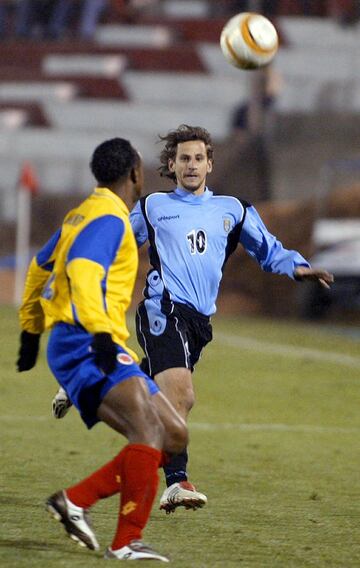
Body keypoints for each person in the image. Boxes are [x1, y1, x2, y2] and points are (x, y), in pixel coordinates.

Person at [53, 124, 334, 514]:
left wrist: (297, 267)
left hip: (200, 322)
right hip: (163, 308)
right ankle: (176, 481)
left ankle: (86, 380)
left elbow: (267, 248)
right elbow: (115, 239)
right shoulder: (153, 206)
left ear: (210, 164)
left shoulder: (233, 209)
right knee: (180, 397)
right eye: (183, 158)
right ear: (171, 164)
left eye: (198, 158)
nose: (191, 165)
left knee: (149, 388)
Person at [16, 137, 188, 562]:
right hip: (88, 342)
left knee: (174, 433)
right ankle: (126, 541)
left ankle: (74, 500)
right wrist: (98, 335)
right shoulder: (110, 218)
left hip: (91, 339)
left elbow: (40, 265)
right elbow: (82, 271)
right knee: (148, 431)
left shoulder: (83, 212)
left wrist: (30, 330)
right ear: (134, 173)